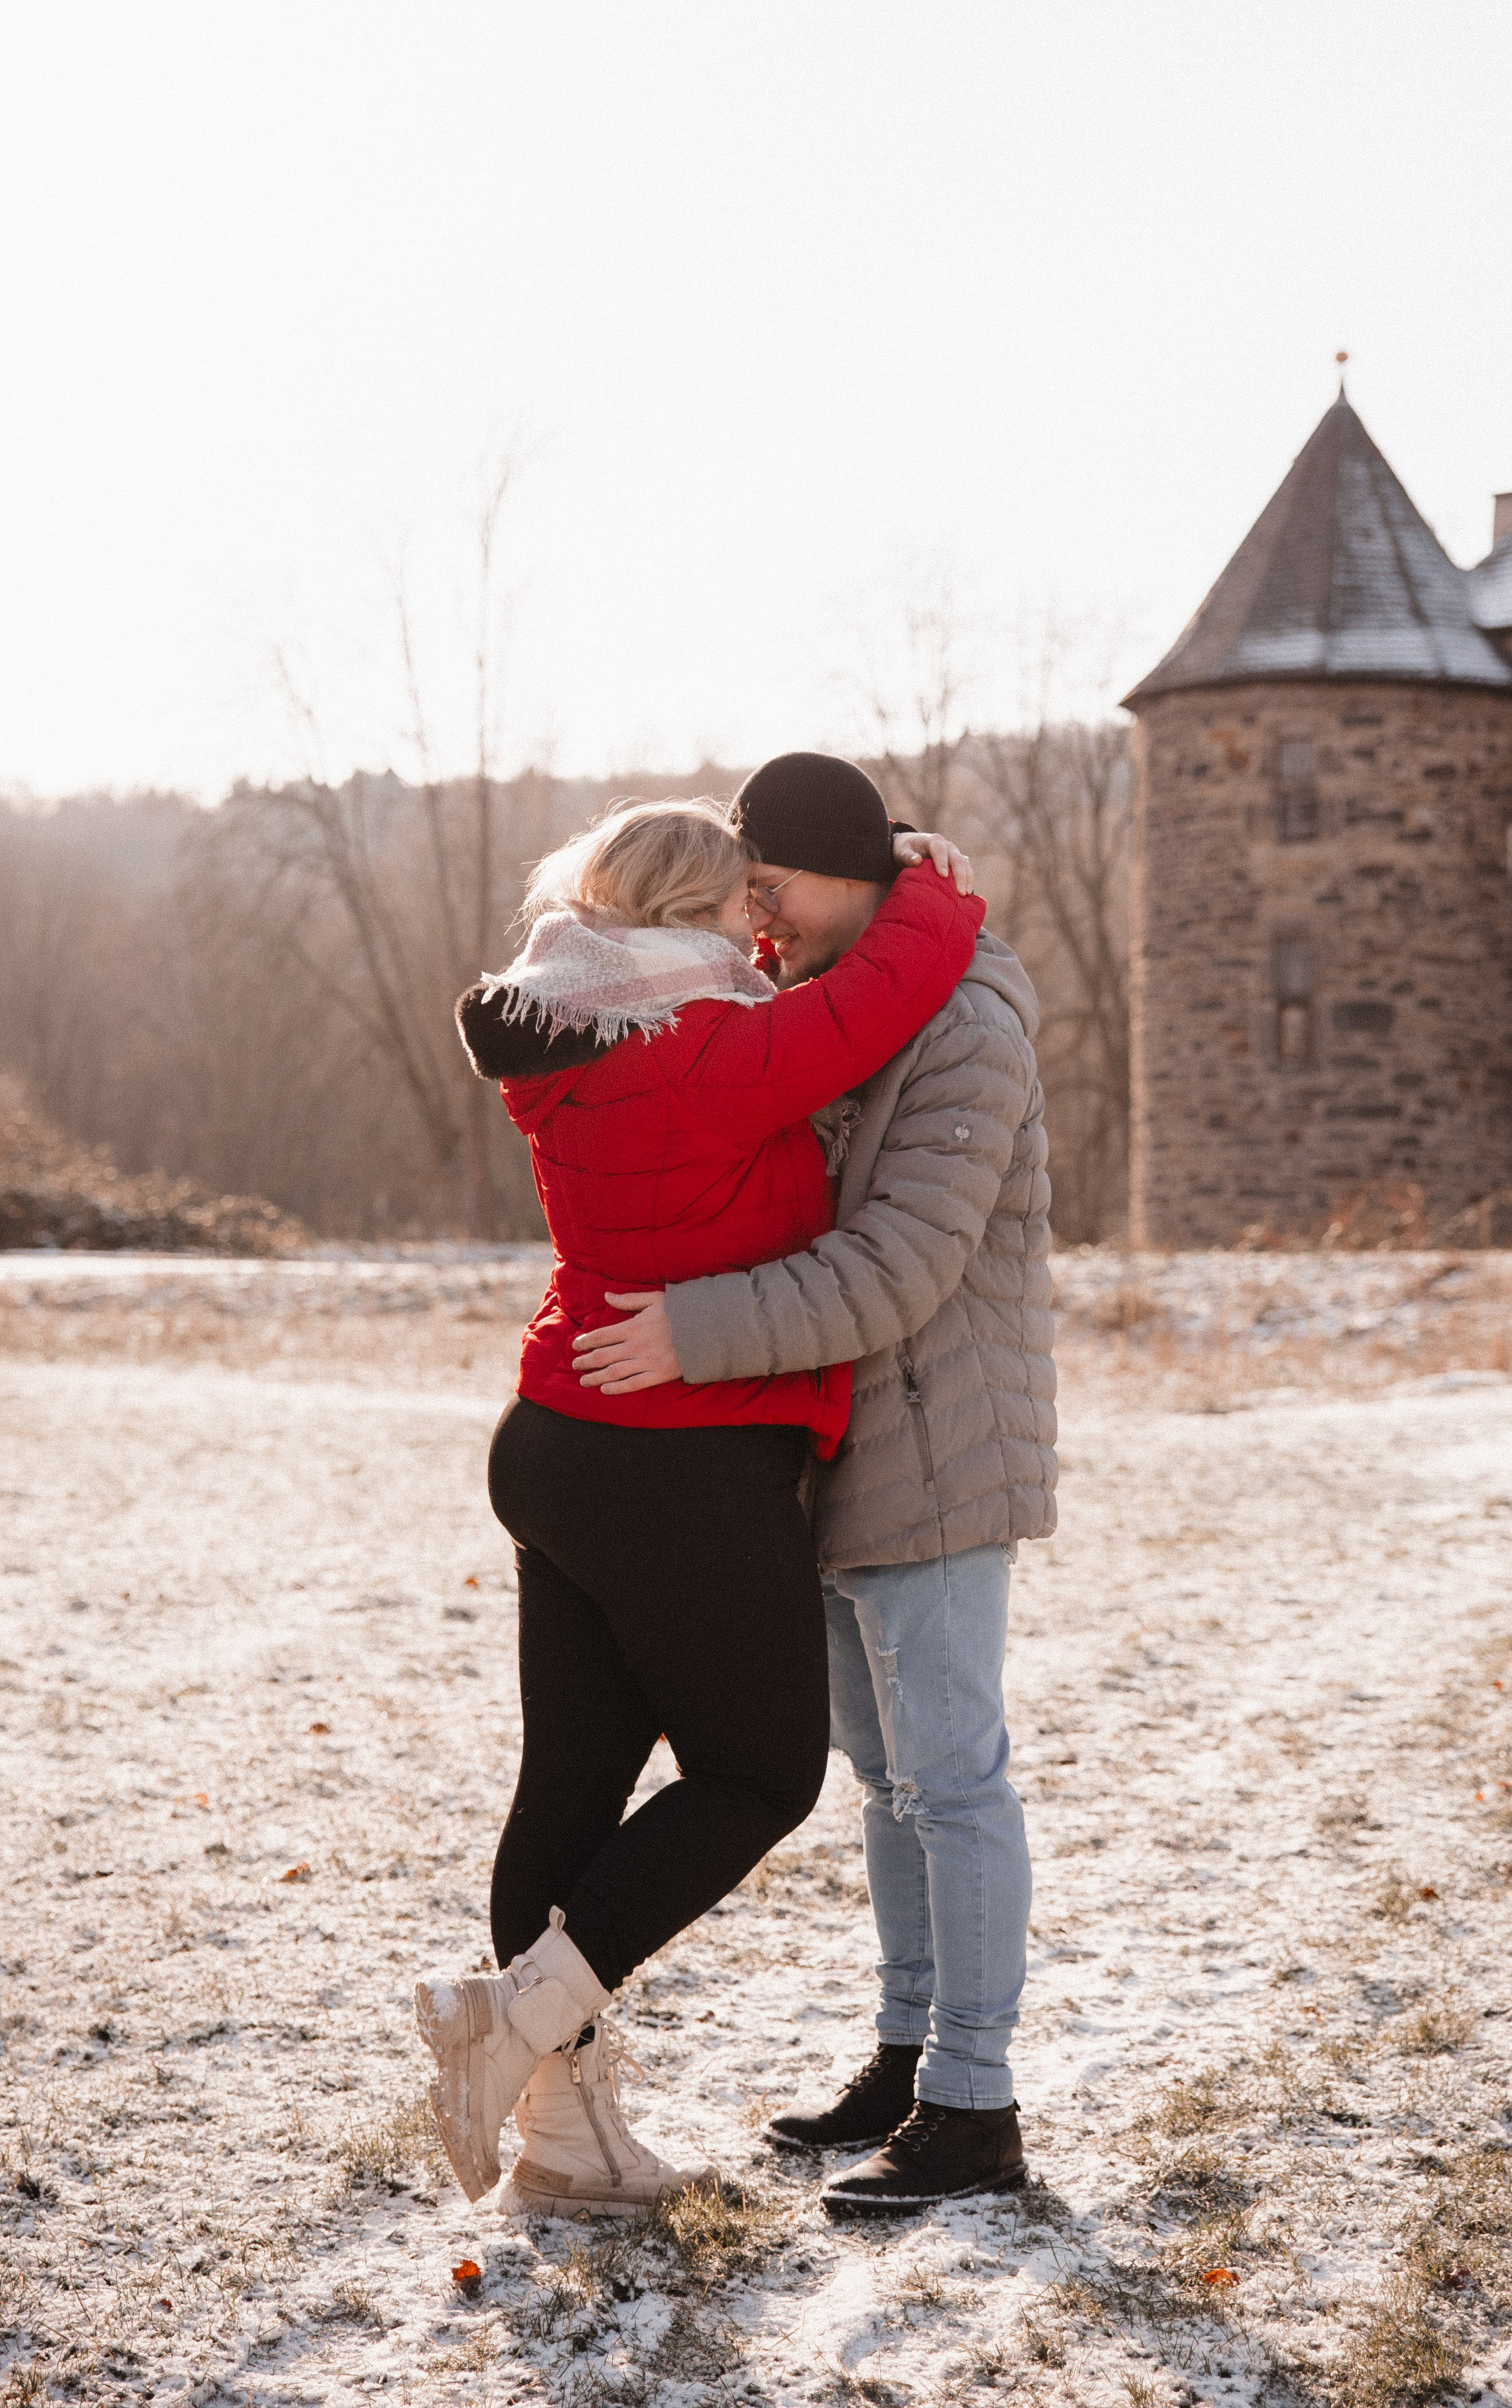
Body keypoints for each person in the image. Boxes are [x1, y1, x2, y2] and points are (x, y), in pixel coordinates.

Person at [414, 796, 982, 2219]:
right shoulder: (711, 1054)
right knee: (759, 1775)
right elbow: (890, 988)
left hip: (556, 1443)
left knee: (570, 1785)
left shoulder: (565, 1031)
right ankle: (514, 2015)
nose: (762, 928)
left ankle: (563, 2143)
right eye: (743, 903)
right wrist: (921, 879)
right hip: (677, 1462)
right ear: (694, 916)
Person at [573, 752, 1056, 2216]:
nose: (755, 910)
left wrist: (694, 1332)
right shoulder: (820, 1001)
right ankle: (906, 2058)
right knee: (886, 1783)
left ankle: (975, 2106)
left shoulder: (967, 1029)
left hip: (939, 1449)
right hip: (831, 1456)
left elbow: (897, 1264)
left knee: (953, 1780)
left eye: (771, 880)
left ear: (849, 872)